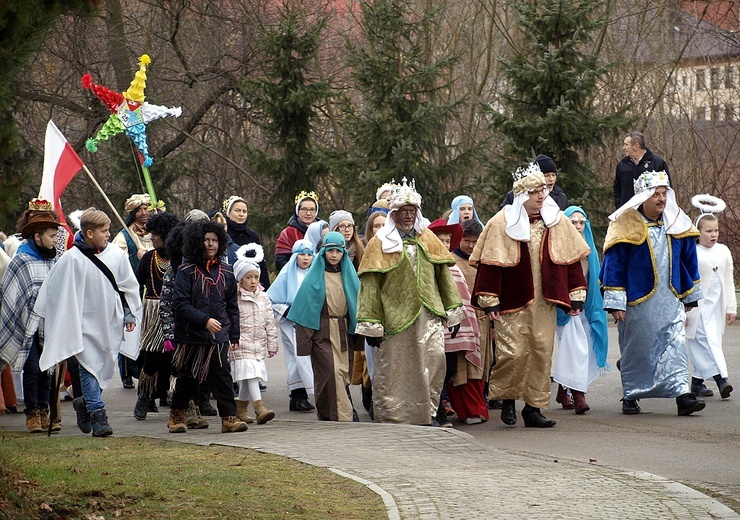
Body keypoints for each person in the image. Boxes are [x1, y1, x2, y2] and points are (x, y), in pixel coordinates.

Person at [471, 162, 589, 428]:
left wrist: (576, 293)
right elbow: (490, 265)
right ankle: (509, 402)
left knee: (540, 352)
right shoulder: (501, 222)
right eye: (535, 191)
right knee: (512, 353)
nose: (540, 196)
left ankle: (533, 408)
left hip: (544, 302)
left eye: (543, 191)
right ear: (522, 194)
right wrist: (490, 301)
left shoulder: (556, 221)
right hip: (512, 300)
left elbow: (570, 261)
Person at [356, 178, 463, 425]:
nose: (407, 216)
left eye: (411, 211)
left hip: (429, 315)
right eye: (402, 211)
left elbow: (443, 277)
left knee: (433, 362)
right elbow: (370, 286)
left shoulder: (429, 239)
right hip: (395, 318)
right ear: (393, 214)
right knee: (397, 370)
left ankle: (429, 414)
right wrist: (371, 323)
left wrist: (453, 309)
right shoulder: (379, 243)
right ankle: (394, 416)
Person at [600, 171, 705, 416]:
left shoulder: (676, 221)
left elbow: (689, 260)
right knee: (638, 349)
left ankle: (683, 395)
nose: (661, 199)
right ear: (643, 197)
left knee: (676, 345)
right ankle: (631, 395)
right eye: (655, 194)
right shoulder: (624, 223)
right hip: (638, 301)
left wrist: (689, 294)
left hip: (670, 299)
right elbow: (614, 265)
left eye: (664, 194)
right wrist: (616, 302)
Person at [36, 208, 142, 437]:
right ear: (90, 233)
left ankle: (83, 401)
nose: (108, 234)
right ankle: (98, 414)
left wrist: (129, 314)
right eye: (104, 231)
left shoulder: (116, 255)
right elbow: (56, 290)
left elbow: (126, 286)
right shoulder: (72, 259)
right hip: (82, 324)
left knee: (104, 365)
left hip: (109, 322)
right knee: (88, 365)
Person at [168, 220, 247, 433]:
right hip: (191, 335)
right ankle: (177, 415)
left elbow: (232, 306)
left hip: (219, 336)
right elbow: (180, 304)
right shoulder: (186, 271)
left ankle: (229, 418)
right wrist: (204, 320)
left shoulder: (227, 272)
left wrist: (234, 334)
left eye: (214, 240)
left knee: (222, 375)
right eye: (206, 240)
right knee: (188, 378)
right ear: (197, 242)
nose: (210, 244)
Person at [0, 200, 62, 432]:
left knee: (48, 369)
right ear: (37, 236)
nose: (55, 240)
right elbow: (10, 293)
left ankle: (46, 411)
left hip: (49, 323)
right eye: (51, 236)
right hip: (27, 324)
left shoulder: (55, 259)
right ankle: (32, 414)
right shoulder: (22, 259)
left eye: (56, 235)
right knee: (33, 368)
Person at [289, 232, 362, 421]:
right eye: (330, 251)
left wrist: (360, 334)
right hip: (322, 332)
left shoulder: (350, 277)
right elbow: (305, 310)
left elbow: (357, 307)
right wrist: (305, 342)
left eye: (338, 251)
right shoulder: (314, 278)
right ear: (323, 253)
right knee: (331, 371)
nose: (334, 255)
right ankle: (343, 414)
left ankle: (329, 412)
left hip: (343, 331)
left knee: (341, 373)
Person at [428, 219, 489, 425]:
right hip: (432, 326)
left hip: (455, 328)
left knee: (450, 369)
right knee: (434, 368)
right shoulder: (426, 264)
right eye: (440, 240)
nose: (444, 244)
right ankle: (435, 411)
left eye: (447, 241)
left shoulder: (452, 266)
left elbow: (461, 297)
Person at [552, 206, 610, 414]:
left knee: (583, 349)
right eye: (573, 222)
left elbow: (596, 281)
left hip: (586, 308)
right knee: (575, 348)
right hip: (565, 309)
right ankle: (579, 394)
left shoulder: (591, 251)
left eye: (581, 222)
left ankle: (562, 390)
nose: (577, 226)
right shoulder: (558, 248)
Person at [685, 196, 735, 399]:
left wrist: (731, 307)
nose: (713, 235)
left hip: (715, 306)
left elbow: (728, 280)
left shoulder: (723, 251)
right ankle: (721, 379)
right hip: (698, 306)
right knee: (706, 342)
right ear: (698, 232)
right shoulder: (693, 252)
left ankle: (697, 382)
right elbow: (687, 280)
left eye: (715, 231)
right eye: (708, 231)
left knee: (712, 341)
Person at [133, 211, 181, 420]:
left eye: (155, 234)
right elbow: (135, 286)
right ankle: (144, 396)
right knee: (151, 360)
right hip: (153, 313)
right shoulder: (147, 260)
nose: (151, 237)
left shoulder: (180, 259)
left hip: (175, 313)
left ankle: (176, 399)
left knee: (175, 361)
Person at [230, 244, 278, 425]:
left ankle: (241, 409)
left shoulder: (263, 298)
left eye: (255, 277)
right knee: (250, 374)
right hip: (241, 343)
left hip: (257, 344)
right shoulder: (236, 298)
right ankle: (260, 408)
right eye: (248, 277)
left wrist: (272, 345)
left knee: (248, 377)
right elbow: (231, 321)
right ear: (240, 279)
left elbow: (269, 323)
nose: (252, 281)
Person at [266, 239, 317, 412]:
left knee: (308, 358)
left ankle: (298, 397)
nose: (305, 258)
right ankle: (299, 395)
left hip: (311, 322)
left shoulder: (316, 273)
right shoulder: (287, 274)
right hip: (291, 324)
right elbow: (271, 299)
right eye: (302, 254)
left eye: (309, 255)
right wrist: (286, 311)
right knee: (296, 358)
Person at [451, 219, 497, 409]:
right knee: (465, 366)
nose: (470, 246)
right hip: (462, 322)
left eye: (474, 242)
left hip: (483, 320)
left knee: (484, 364)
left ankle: (482, 397)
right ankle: (466, 405)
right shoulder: (452, 261)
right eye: (466, 241)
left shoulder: (483, 261)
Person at [112, 193, 154, 389]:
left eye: (147, 208)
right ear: (133, 213)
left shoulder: (154, 233)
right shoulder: (124, 236)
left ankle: (148, 371)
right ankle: (127, 372)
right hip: (132, 290)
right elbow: (116, 264)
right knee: (131, 331)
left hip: (152, 290)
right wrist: (134, 257)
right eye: (141, 209)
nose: (145, 213)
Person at [613, 131, 671, 209]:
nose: (624, 148)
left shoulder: (657, 163)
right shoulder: (622, 165)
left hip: (651, 215)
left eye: (626, 145)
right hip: (627, 214)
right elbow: (617, 187)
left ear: (636, 146)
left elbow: (667, 188)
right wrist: (619, 203)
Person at [222, 196, 270, 289]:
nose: (241, 214)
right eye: (237, 210)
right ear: (228, 213)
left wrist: (266, 288)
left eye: (244, 211)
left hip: (251, 286)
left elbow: (261, 264)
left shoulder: (252, 236)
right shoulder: (224, 235)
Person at [498, 155, 568, 211]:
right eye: (546, 175)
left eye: (553, 175)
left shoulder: (561, 198)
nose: (551, 179)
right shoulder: (517, 195)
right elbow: (502, 217)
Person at [274, 191, 319, 272]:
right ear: (297, 211)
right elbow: (280, 262)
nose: (308, 213)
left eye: (312, 210)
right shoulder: (288, 233)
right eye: (304, 209)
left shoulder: (322, 231)